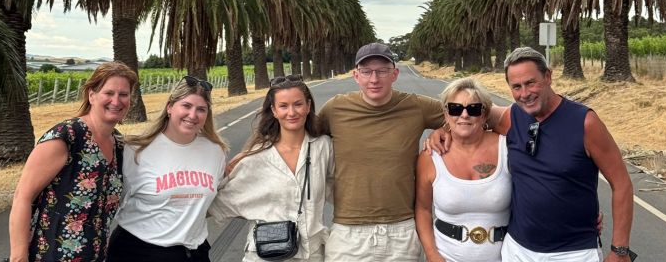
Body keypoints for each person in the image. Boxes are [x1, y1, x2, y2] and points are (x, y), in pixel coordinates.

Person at [429, 47, 634, 261]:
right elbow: (467, 117)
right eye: (516, 87)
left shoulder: (585, 123)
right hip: (518, 250)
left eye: (530, 83)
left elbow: (622, 184)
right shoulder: (512, 117)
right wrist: (444, 130)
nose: (524, 94)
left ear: (548, 76)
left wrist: (620, 250)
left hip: (574, 252)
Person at [319, 42, 445, 261]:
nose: (374, 79)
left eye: (382, 71)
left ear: (394, 74)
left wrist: (445, 129)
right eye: (366, 72)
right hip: (348, 235)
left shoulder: (416, 106)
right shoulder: (335, 109)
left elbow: (470, 114)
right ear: (356, 75)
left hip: (402, 232)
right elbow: (296, 136)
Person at [8, 61, 138, 262]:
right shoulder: (67, 136)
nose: (116, 100)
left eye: (124, 94)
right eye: (109, 93)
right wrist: (18, 257)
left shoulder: (118, 145)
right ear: (92, 95)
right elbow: (22, 197)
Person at [209, 74, 334, 261]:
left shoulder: (323, 147)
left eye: (298, 104)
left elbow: (344, 189)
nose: (291, 112)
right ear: (274, 111)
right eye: (283, 106)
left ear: (308, 106)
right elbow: (215, 203)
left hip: (313, 255)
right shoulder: (255, 156)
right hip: (265, 256)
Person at [106, 75, 227, 262]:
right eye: (186, 106)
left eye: (201, 109)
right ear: (170, 107)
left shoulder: (215, 151)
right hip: (138, 252)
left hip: (195, 252)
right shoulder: (135, 150)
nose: (193, 115)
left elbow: (211, 199)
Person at [415, 77, 511, 262]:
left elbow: (531, 113)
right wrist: (432, 255)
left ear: (484, 114)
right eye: (455, 109)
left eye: (473, 109)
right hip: (447, 257)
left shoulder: (507, 148)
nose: (464, 115)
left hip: (505, 257)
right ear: (446, 114)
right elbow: (423, 209)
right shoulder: (430, 157)